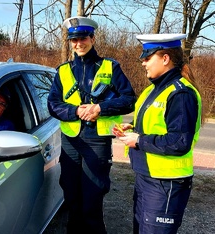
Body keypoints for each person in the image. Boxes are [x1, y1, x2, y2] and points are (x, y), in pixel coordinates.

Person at [47, 16, 136, 234]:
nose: (78, 44)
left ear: (93, 38)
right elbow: (52, 105)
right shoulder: (63, 71)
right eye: (73, 40)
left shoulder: (110, 67)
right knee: (71, 197)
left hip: (97, 142)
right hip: (71, 143)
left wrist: (99, 109)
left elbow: (128, 100)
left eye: (83, 38)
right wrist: (76, 111)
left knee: (92, 201)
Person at [112, 33, 204, 234]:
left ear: (165, 58)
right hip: (147, 177)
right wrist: (132, 128)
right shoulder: (153, 89)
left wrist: (139, 140)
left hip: (166, 182)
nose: (143, 63)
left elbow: (179, 142)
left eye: (147, 58)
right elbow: (156, 124)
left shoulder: (180, 93)